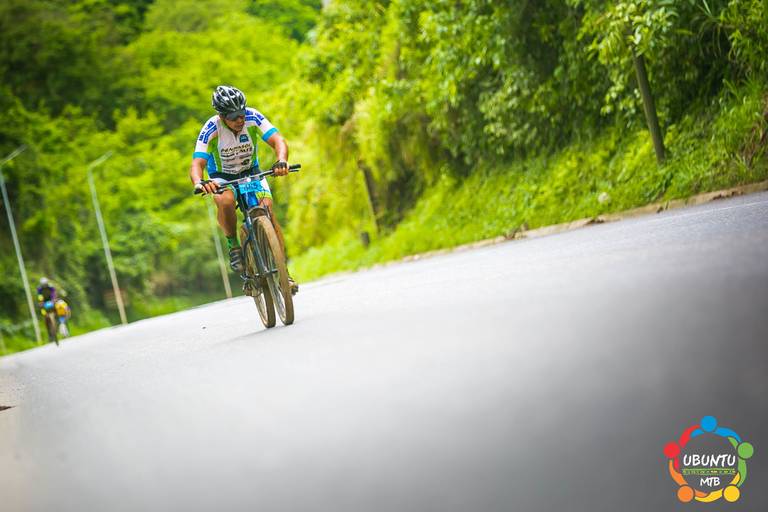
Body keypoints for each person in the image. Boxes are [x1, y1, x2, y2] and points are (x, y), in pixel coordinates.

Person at [190, 85, 298, 295]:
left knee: (268, 209)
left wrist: (282, 160)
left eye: (242, 113)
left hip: (251, 171)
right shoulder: (211, 128)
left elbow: (278, 140)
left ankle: (284, 272)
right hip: (222, 176)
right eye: (233, 116)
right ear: (222, 116)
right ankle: (233, 244)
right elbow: (197, 163)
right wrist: (199, 182)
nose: (240, 119)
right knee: (225, 201)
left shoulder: (253, 117)